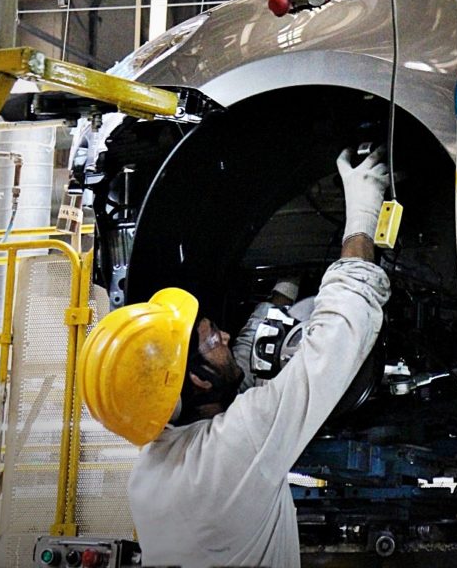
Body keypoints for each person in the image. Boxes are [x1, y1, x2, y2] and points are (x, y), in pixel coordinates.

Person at [78, 147, 392, 568]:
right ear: (199, 381)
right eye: (213, 340)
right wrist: (362, 217)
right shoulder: (233, 450)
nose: (225, 334)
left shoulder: (149, 478)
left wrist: (282, 293)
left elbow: (238, 374)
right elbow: (340, 335)